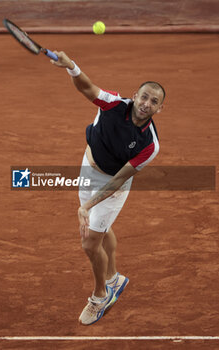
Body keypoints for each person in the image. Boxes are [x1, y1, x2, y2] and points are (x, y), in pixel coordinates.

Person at [51, 51, 165, 325]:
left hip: (113, 184)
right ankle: (115, 277)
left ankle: (101, 295)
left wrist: (88, 206)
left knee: (90, 243)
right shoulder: (113, 104)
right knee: (100, 229)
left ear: (159, 109)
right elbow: (87, 88)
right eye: (144, 96)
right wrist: (72, 67)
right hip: (87, 166)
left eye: (154, 102)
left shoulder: (149, 145)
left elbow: (116, 181)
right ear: (134, 95)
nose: (146, 103)